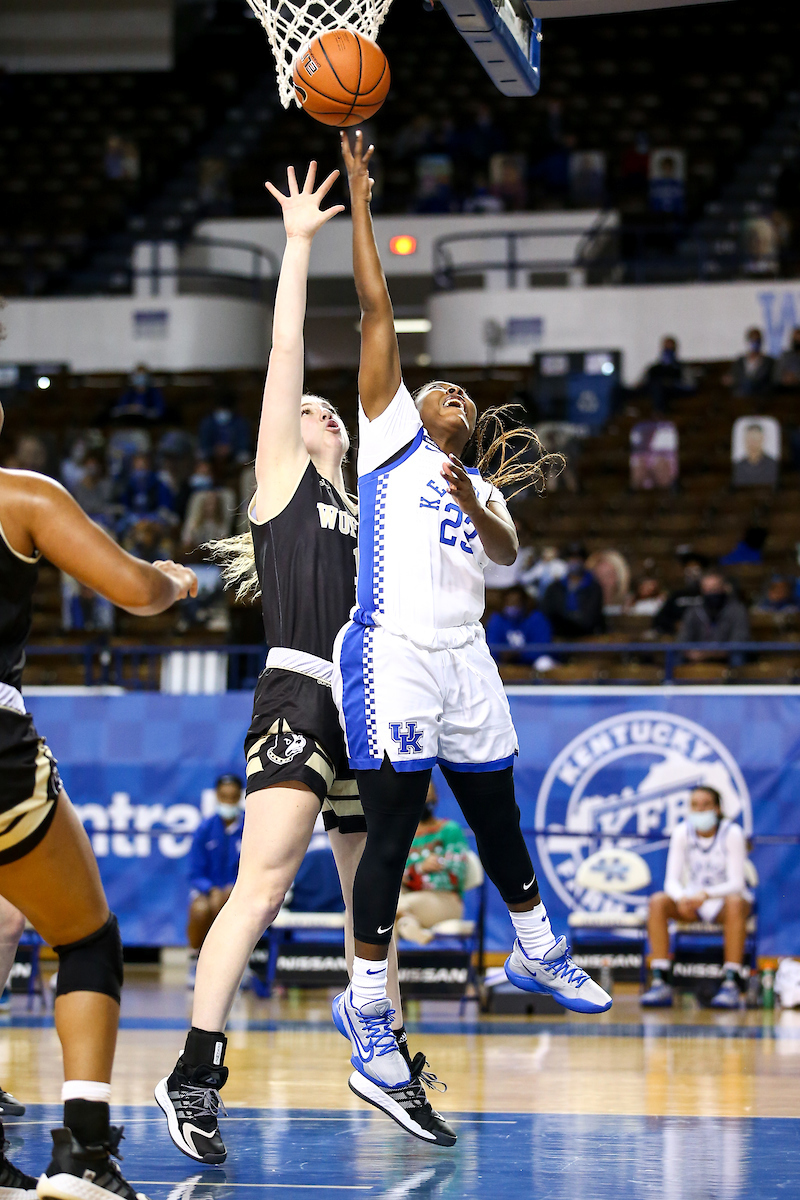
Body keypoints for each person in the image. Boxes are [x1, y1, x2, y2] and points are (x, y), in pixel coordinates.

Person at [154, 161, 444, 1164]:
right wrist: (299, 244)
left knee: (376, 900)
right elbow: (286, 347)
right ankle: (193, 1071)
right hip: (294, 692)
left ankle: (384, 1060)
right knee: (263, 887)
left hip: (363, 709)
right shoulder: (280, 485)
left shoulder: (367, 516)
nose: (319, 408)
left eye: (329, 408)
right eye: (308, 407)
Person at [331, 129, 611, 1142]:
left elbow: (499, 552)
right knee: (396, 819)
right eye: (443, 385)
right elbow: (373, 308)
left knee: (496, 808)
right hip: (391, 647)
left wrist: (478, 500)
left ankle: (536, 947)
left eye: (462, 394)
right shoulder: (390, 431)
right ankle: (367, 1009)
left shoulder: (478, 480)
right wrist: (362, 203)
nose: (454, 394)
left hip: (465, 656)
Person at [0, 391, 196, 1199]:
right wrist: (176, 582)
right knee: (86, 938)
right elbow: (133, 592)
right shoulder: (22, 496)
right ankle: (83, 1155)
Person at [641, 786, 753, 1010]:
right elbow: (671, 881)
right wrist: (682, 897)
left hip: (723, 900)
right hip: (693, 900)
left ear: (717, 808)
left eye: (705, 805)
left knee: (735, 903)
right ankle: (661, 980)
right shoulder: (682, 832)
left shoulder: (732, 833)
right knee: (658, 901)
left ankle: (731, 983)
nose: (699, 810)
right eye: (694, 805)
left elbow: (737, 883)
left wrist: (707, 895)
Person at [396, 781, 469, 946]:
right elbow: (390, 873)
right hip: (406, 898)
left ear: (436, 797)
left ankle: (405, 921)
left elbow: (454, 875)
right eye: (420, 796)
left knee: (384, 909)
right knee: (389, 917)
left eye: (429, 796)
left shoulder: (450, 830)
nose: (425, 801)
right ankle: (407, 926)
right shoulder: (402, 836)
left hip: (445, 900)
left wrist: (409, 873)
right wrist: (421, 868)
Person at [186, 775, 244, 962]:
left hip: (241, 890)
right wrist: (210, 889)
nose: (228, 802)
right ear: (217, 797)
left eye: (232, 797)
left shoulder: (250, 827)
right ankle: (196, 958)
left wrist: (235, 887)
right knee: (201, 910)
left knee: (236, 908)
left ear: (239, 797)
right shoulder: (205, 829)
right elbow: (195, 872)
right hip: (208, 890)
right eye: (223, 796)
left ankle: (238, 962)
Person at [679, 570, 750, 664]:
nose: (712, 593)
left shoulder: (737, 610)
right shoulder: (693, 611)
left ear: (724, 588)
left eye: (715, 588)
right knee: (676, 656)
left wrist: (710, 654)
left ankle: (736, 679)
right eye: (708, 589)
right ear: (702, 590)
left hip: (726, 657)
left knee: (738, 656)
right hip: (697, 656)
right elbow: (683, 640)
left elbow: (739, 641)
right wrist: (691, 653)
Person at [541, 543, 605, 637]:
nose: (574, 561)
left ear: (584, 560)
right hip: (558, 637)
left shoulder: (594, 588)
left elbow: (591, 617)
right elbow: (547, 612)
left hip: (587, 637)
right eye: (571, 558)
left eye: (578, 558)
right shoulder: (554, 588)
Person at [485, 586, 552, 665]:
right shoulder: (497, 619)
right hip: (503, 662)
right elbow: (491, 645)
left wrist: (519, 654)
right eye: (509, 602)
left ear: (523, 603)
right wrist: (502, 654)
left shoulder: (536, 618)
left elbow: (542, 647)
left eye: (516, 602)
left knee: (544, 663)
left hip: (531, 663)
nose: (512, 606)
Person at [652, 555, 704, 636]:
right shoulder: (676, 595)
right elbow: (659, 619)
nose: (693, 574)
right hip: (678, 637)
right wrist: (674, 625)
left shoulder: (707, 595)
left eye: (696, 570)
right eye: (689, 571)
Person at [642, 337, 694, 413]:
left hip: (674, 389)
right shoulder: (654, 368)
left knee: (658, 388)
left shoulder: (681, 367)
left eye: (670, 347)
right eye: (666, 347)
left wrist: (672, 383)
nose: (668, 350)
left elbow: (689, 385)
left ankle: (659, 413)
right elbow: (644, 382)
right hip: (653, 388)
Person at [724, 328, 774, 400]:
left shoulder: (768, 361)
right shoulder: (740, 361)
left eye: (757, 341)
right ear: (748, 342)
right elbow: (734, 375)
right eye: (753, 341)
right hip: (741, 397)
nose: (755, 344)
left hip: (760, 396)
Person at [732, 423, 779, 488]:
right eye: (749, 439)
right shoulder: (739, 466)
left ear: (762, 439)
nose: (752, 443)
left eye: (755, 439)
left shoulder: (772, 464)